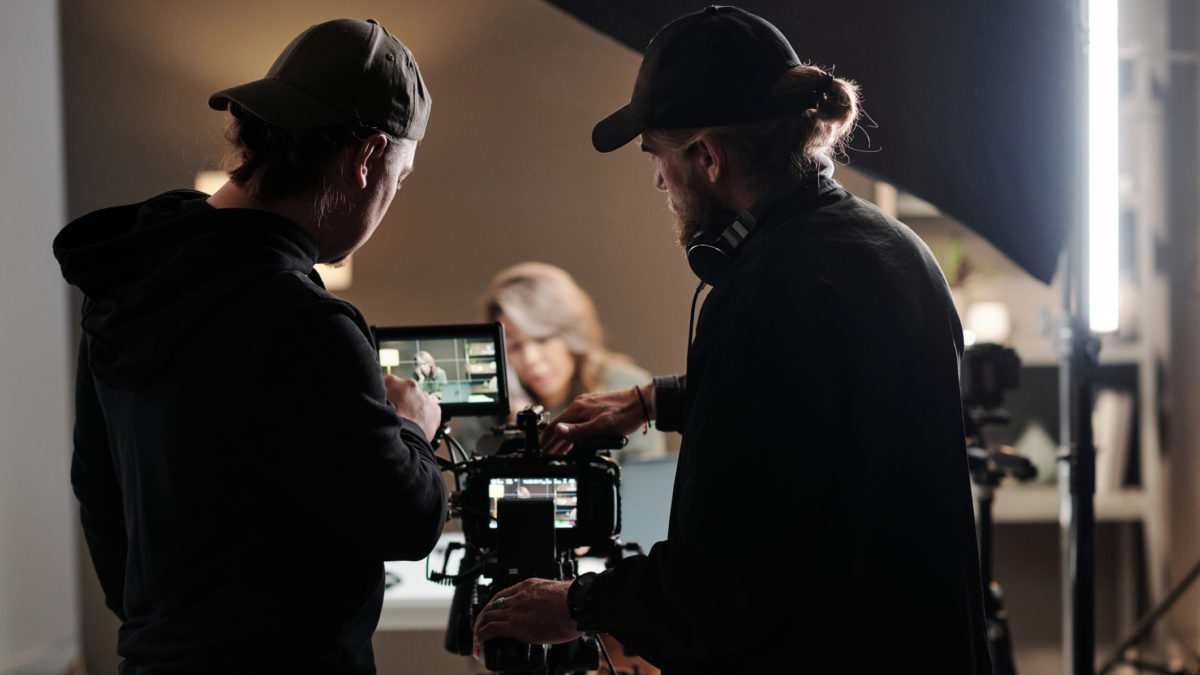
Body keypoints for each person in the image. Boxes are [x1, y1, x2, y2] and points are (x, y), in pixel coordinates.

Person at [472, 6, 990, 674]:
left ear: (708, 157)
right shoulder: (891, 249)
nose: (659, 179)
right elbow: (825, 404)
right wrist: (655, 400)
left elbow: (723, 580)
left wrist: (576, 602)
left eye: (658, 155)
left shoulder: (765, 293)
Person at [53, 19, 447, 674]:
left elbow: (98, 489)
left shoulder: (129, 280)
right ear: (367, 158)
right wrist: (412, 426)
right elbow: (406, 521)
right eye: (399, 178)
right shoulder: (305, 323)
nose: (389, 199)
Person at [454, 261, 665, 463]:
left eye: (542, 339)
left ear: (570, 332)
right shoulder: (484, 414)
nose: (531, 360)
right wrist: (512, 450)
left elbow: (641, 491)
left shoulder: (627, 389)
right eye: (514, 347)